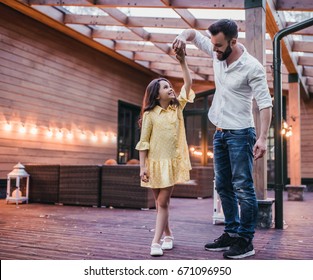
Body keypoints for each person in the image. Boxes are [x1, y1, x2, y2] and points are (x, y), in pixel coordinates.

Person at [172, 19, 273, 259]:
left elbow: (265, 104)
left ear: (233, 42)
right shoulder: (217, 53)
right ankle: (230, 232)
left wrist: (262, 138)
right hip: (219, 132)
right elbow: (194, 35)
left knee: (243, 187)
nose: (214, 50)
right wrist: (182, 36)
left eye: (218, 46)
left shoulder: (252, 67)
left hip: (241, 134)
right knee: (223, 186)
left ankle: (245, 240)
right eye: (213, 45)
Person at [135, 49, 194, 256]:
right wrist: (142, 167)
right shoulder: (150, 114)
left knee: (162, 202)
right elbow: (144, 143)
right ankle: (169, 235)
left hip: (170, 162)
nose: (170, 89)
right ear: (156, 94)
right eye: (165, 87)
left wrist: (183, 62)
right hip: (153, 164)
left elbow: (188, 84)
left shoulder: (176, 109)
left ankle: (155, 242)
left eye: (169, 86)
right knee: (162, 205)